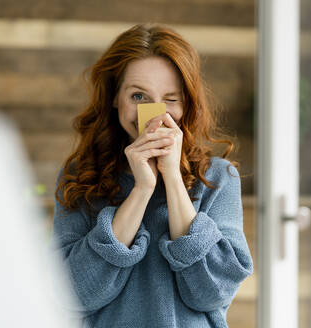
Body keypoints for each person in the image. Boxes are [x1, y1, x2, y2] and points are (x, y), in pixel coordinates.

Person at [52, 23, 253, 328]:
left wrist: (171, 178)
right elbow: (71, 295)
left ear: (187, 104)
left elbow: (213, 293)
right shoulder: (79, 177)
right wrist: (142, 188)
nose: (155, 114)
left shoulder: (219, 177)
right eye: (138, 96)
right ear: (114, 99)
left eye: (170, 99)